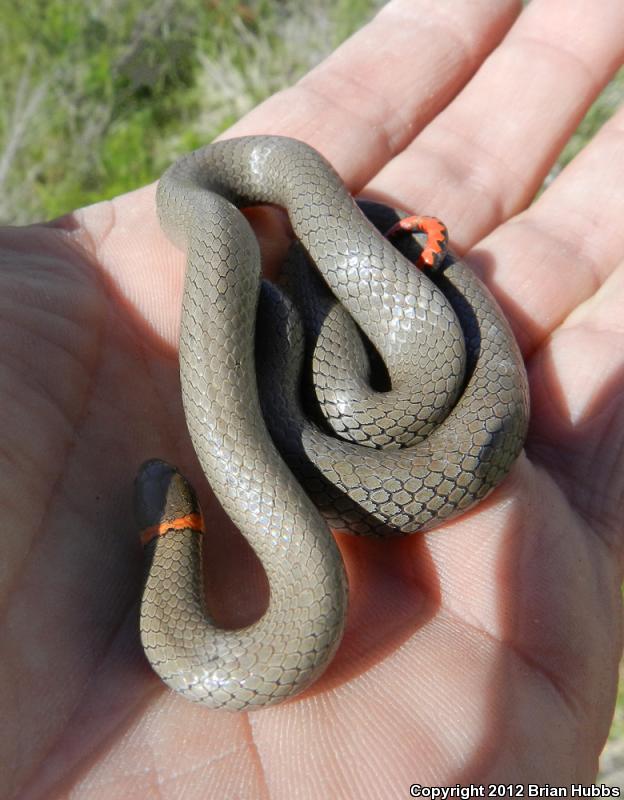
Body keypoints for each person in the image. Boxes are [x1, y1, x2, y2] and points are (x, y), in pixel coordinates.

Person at [2, 0, 623, 795]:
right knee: (277, 306)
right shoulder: (235, 261)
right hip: (319, 343)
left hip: (351, 354)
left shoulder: (271, 297)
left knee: (320, 337)